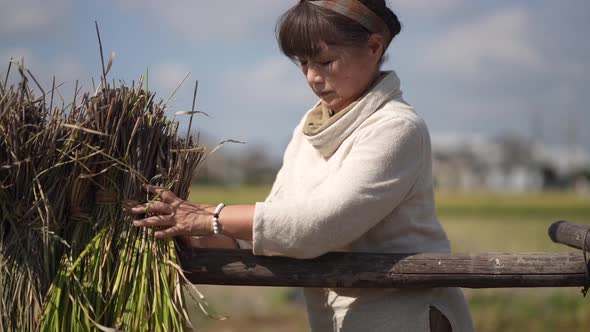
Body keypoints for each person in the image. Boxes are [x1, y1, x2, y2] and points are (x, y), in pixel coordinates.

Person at [129, 1, 475, 331]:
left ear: (374, 47)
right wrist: (193, 232)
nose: (312, 77)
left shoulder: (397, 127)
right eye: (303, 63)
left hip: (403, 318)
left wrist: (209, 217)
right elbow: (276, 230)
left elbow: (319, 224)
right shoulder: (310, 128)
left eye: (325, 61)